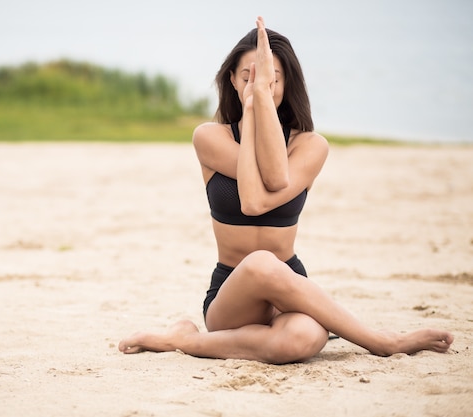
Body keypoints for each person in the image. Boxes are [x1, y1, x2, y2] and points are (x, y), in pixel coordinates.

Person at [118, 17, 453, 364]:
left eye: (271, 79)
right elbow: (252, 201)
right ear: (232, 79)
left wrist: (258, 98)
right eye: (248, 77)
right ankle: (384, 342)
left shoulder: (311, 146)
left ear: (287, 82)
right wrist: (254, 104)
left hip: (289, 286)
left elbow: (274, 180)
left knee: (304, 339)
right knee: (261, 263)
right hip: (232, 294)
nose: (258, 84)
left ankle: (186, 339)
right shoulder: (209, 137)